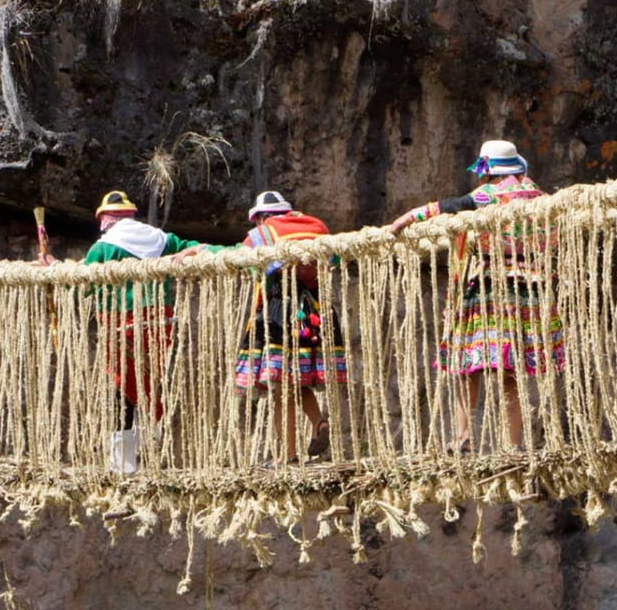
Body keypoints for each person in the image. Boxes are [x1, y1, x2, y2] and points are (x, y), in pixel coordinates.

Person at [390, 140, 565, 453]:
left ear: (489, 171)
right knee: (510, 371)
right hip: (531, 291)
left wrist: (404, 220)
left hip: (491, 288)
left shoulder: (488, 195)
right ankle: (512, 445)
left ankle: (462, 437)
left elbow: (447, 206)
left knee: (465, 362)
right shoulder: (543, 199)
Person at [179, 191, 347, 464]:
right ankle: (318, 423)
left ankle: (288, 455)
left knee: (280, 385)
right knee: (295, 378)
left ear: (260, 217)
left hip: (281, 313)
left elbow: (239, 256)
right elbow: (335, 259)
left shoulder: (265, 233)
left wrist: (202, 250)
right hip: (316, 313)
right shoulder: (318, 227)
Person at [84, 190, 204, 473]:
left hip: (120, 327)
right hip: (159, 324)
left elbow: (80, 284)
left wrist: (51, 271)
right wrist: (193, 251)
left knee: (120, 389)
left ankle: (123, 464)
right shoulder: (163, 241)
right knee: (150, 381)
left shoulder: (103, 248)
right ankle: (151, 449)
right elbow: (196, 247)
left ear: (106, 219)